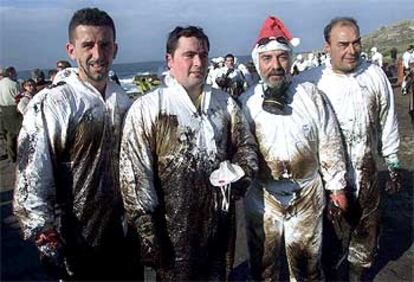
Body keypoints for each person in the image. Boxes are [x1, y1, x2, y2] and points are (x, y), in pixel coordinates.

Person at [119, 25, 258, 281]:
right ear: (169, 60)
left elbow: (246, 148)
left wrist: (240, 177)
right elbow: (135, 176)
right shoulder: (149, 108)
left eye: (204, 55)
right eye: (189, 55)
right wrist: (148, 233)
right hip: (172, 234)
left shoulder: (224, 103)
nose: (198, 62)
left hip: (219, 227)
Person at [13, 7, 138, 281]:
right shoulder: (52, 103)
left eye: (104, 45)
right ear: (71, 50)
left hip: (122, 238)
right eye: (88, 45)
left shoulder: (122, 100)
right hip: (74, 241)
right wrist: (45, 238)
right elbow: (30, 179)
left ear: (115, 49)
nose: (97, 54)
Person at [238, 16, 348, 281]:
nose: (276, 66)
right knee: (263, 267)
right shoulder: (246, 102)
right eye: (267, 59)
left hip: (307, 194)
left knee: (307, 267)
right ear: (257, 62)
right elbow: (239, 149)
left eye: (282, 57)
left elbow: (330, 143)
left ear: (291, 60)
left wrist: (337, 188)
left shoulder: (311, 95)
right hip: (262, 198)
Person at [298, 17, 401, 281]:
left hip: (366, 171)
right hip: (326, 182)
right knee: (328, 243)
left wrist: (392, 163)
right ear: (327, 47)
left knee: (365, 238)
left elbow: (388, 120)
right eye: (343, 44)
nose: (352, 50)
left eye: (356, 43)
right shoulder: (311, 83)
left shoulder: (374, 75)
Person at [0, 66, 21, 162]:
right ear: (10, 73)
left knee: (8, 134)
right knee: (18, 132)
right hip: (13, 108)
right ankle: (19, 154)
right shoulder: (14, 84)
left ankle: (11, 156)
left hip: (3, 109)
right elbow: (18, 98)